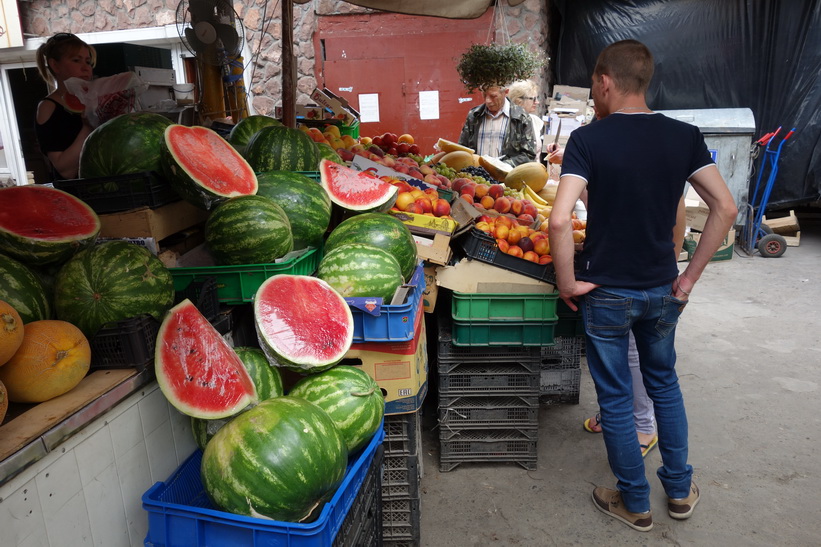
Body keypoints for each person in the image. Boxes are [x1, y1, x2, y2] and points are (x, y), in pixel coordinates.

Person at [549, 39, 737, 532]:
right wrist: (688, 279)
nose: (594, 92)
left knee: (614, 399)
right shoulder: (684, 137)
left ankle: (635, 502)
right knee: (664, 387)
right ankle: (678, 490)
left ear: (606, 81)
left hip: (605, 291)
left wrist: (568, 281)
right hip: (661, 291)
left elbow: (559, 220)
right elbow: (726, 208)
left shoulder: (588, 140)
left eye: (593, 83)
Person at [34, 33, 96, 180]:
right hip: (77, 194)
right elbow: (65, 170)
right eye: (76, 60)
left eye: (88, 62)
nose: (85, 68)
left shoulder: (95, 100)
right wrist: (88, 127)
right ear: (55, 65)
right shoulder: (47, 107)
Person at [457, 85, 535, 167]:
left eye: (493, 96)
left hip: (507, 177)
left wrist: (500, 165)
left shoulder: (521, 117)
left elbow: (528, 155)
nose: (488, 101)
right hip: (477, 177)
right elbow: (462, 149)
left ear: (506, 92)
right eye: (484, 95)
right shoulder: (474, 115)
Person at [508, 80, 544, 162]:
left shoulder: (535, 121)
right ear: (519, 100)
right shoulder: (509, 121)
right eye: (533, 99)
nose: (537, 102)